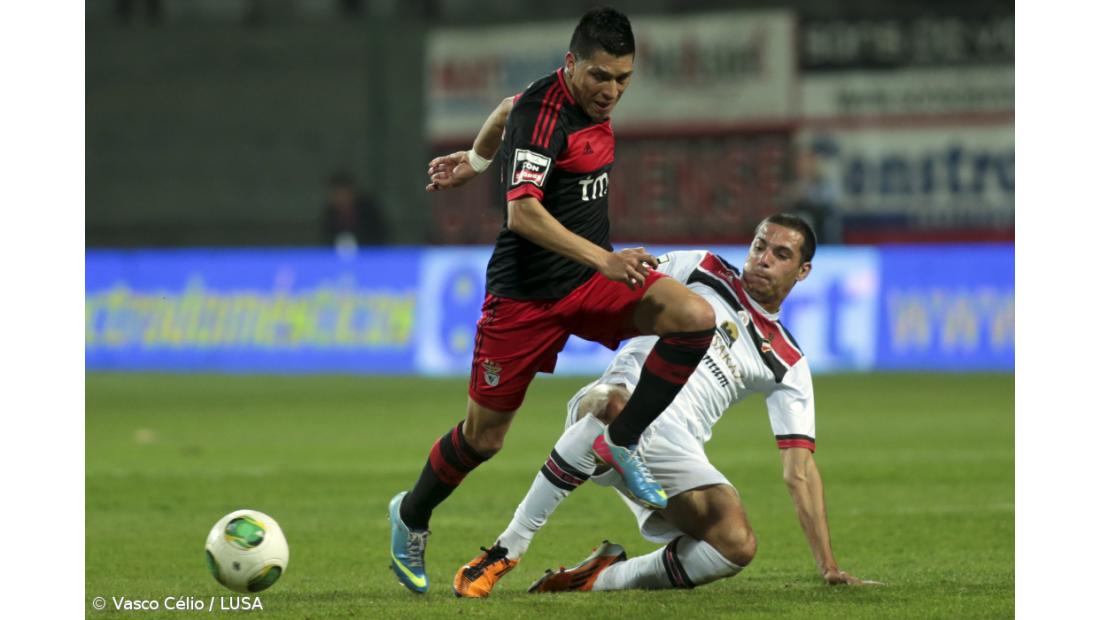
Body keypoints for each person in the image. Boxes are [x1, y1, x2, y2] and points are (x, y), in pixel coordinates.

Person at [389, 7, 719, 594]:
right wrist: (605, 260)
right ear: (570, 65)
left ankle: (621, 443)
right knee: (483, 439)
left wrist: (475, 160)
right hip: (525, 297)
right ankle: (411, 516)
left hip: (588, 284)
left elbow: (503, 107)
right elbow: (522, 212)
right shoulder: (546, 116)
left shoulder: (560, 102)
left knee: (694, 317)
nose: (611, 91)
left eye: (623, 79)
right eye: (600, 76)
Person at [451, 214, 874, 597]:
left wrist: (829, 566)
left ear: (803, 272)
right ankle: (508, 548)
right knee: (610, 405)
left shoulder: (788, 361)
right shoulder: (702, 268)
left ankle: (600, 578)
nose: (763, 259)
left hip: (672, 448)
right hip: (621, 399)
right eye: (759, 246)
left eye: (780, 255)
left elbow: (799, 471)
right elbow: (619, 282)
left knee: (735, 544)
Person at [321, 171, 388, 248]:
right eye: (337, 194)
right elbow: (326, 241)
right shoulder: (329, 215)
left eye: (344, 194)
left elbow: (380, 238)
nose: (341, 199)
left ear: (352, 193)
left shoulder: (368, 213)